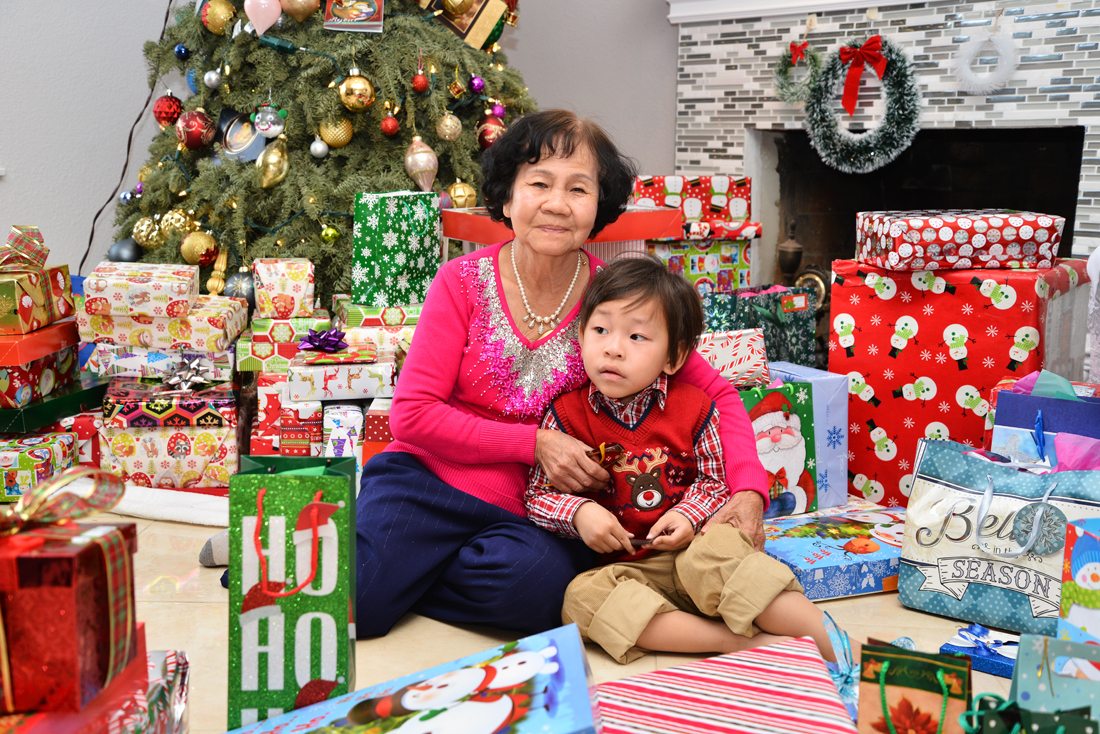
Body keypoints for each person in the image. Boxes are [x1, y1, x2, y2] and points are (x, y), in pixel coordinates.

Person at [355, 109, 770, 637]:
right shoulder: (459, 281)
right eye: (539, 183)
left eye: (578, 188)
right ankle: (374, 561)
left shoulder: (615, 301)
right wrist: (536, 443)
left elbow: (720, 397)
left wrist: (749, 490)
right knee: (362, 607)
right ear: (507, 197)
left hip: (534, 509)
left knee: (536, 597)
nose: (556, 203)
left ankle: (403, 571)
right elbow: (413, 416)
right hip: (429, 481)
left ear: (599, 207)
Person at [525, 257, 835, 664]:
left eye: (637, 337)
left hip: (698, 548)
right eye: (600, 330)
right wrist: (580, 512)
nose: (613, 348)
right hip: (631, 568)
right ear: (580, 337)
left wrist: (690, 516)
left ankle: (836, 647)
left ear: (674, 357)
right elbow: (537, 495)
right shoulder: (564, 415)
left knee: (722, 553)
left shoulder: (695, 407)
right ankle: (740, 644)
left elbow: (714, 481)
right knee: (581, 599)